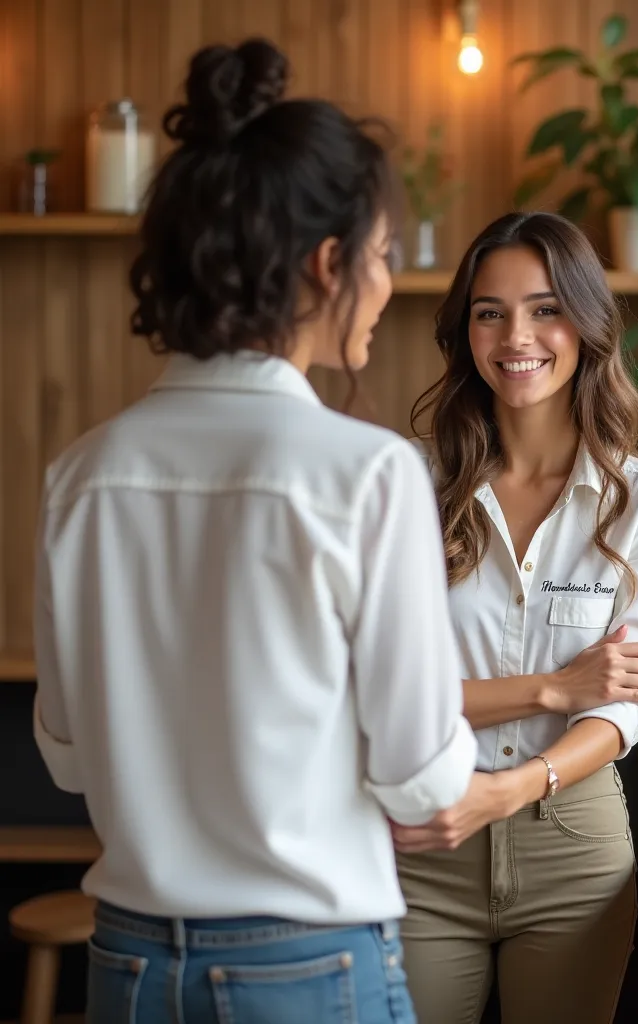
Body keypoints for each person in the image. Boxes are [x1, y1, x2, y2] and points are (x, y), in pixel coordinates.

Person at [33, 39, 476, 1024]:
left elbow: (64, 754)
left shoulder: (82, 475)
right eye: (382, 255)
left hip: (128, 965)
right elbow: (423, 775)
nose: (384, 281)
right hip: (308, 965)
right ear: (327, 265)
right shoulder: (366, 472)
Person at [394, 212, 638, 1024]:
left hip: (575, 842)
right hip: (425, 835)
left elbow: (623, 702)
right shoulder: (405, 486)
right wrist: (555, 689)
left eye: (545, 307)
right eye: (490, 311)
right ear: (466, 331)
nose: (516, 335)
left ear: (586, 324)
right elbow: (386, 692)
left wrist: (515, 787)